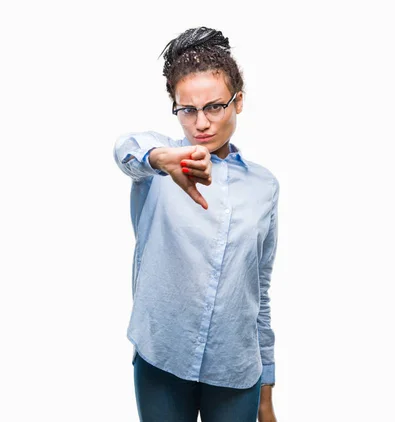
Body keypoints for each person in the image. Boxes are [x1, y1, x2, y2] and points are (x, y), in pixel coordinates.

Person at [113, 26, 279, 422]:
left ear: (238, 102)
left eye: (214, 106)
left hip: (236, 369)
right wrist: (160, 159)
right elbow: (126, 150)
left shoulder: (265, 186)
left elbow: (259, 290)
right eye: (187, 109)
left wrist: (267, 387)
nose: (200, 122)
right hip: (162, 357)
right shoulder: (158, 162)